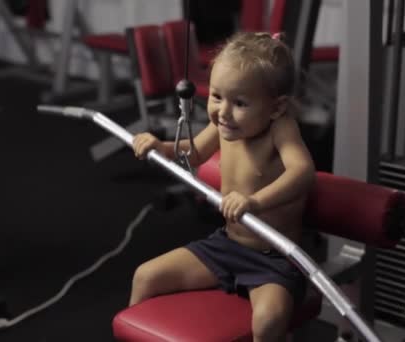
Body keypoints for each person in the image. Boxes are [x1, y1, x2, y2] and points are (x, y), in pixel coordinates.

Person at [130, 31, 316, 342]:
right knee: (145, 277)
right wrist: (158, 145)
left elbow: (303, 172)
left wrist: (254, 202)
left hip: (274, 260)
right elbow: (191, 151)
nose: (223, 112)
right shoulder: (223, 125)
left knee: (269, 321)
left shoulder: (281, 129)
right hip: (226, 247)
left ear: (276, 107)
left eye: (239, 102)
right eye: (217, 97)